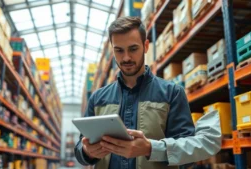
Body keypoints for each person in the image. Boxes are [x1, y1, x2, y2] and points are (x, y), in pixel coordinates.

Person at [74, 16, 221, 169]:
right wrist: (87, 152)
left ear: (145, 46)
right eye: (119, 50)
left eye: (133, 49)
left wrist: (151, 148)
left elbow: (189, 152)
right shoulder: (98, 98)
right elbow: (80, 149)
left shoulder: (172, 93)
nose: (126, 57)